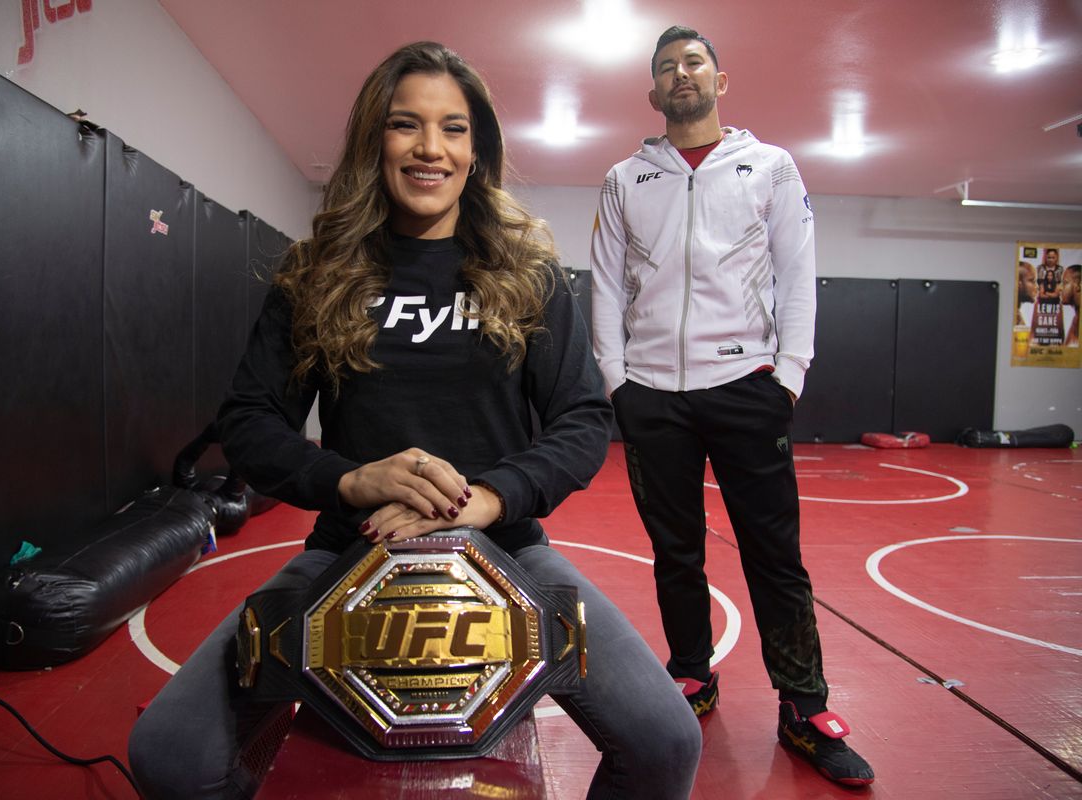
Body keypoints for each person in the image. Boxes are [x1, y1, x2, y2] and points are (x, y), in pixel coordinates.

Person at [128, 41, 701, 800]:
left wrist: (487, 499)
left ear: (477, 149)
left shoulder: (527, 271)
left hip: (508, 554)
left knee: (666, 743)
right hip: (347, 555)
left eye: (454, 129)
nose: (431, 148)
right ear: (377, 141)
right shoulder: (318, 271)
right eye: (407, 125)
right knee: (170, 756)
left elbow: (582, 420)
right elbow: (250, 419)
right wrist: (353, 479)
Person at [589, 26, 874, 787]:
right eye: (666, 68)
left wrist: (788, 376)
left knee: (774, 555)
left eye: (694, 63)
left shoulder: (770, 168)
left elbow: (798, 274)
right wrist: (618, 381)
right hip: (653, 395)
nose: (681, 75)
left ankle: (805, 706)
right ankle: (692, 674)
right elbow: (607, 285)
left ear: (721, 81)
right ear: (653, 93)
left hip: (747, 387)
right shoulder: (624, 179)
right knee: (675, 552)